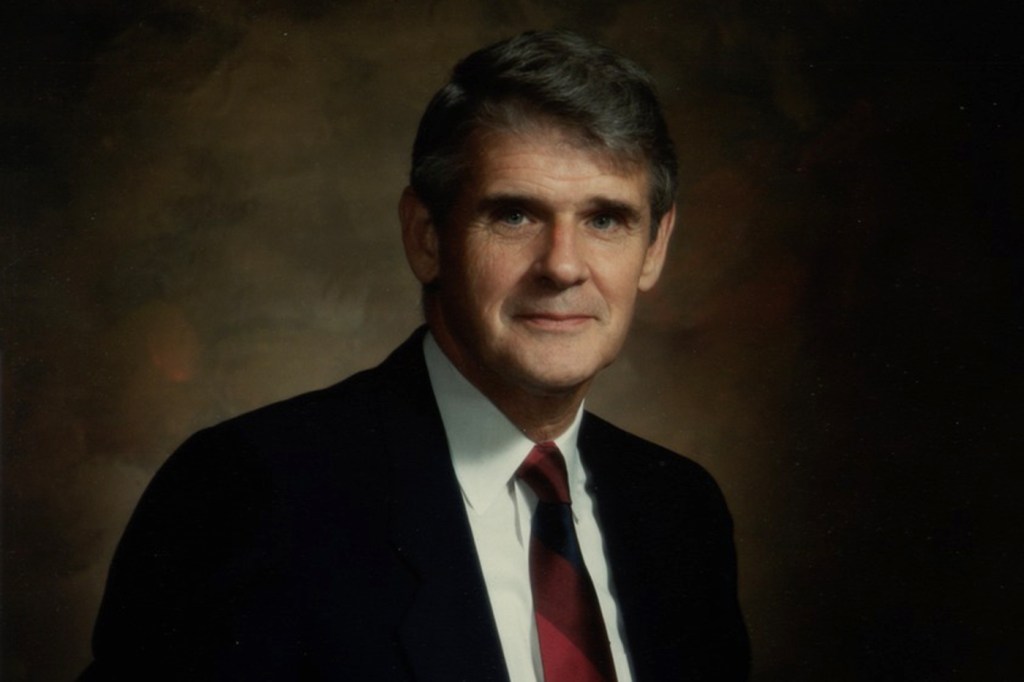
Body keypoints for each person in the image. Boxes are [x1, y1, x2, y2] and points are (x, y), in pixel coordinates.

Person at [80, 30, 749, 681]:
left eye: (605, 219)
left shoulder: (679, 511)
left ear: (655, 248)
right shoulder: (250, 495)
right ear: (426, 236)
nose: (563, 266)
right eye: (514, 215)